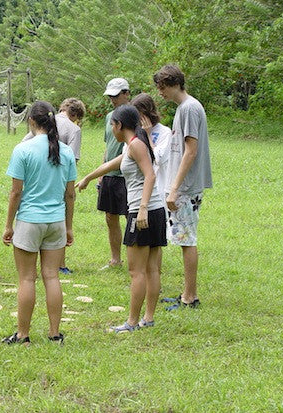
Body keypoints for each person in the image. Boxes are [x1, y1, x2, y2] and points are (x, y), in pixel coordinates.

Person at [76, 104, 167, 331]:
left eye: (112, 125)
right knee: (152, 269)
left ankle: (132, 322)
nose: (111, 130)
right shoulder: (133, 144)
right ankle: (148, 318)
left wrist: (142, 208)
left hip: (142, 211)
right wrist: (88, 177)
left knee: (137, 271)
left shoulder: (135, 145)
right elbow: (110, 164)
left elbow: (150, 175)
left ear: (119, 125)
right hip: (156, 211)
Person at [2, 100, 76, 345]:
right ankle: (54, 333)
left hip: (29, 221)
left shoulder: (22, 150)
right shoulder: (65, 151)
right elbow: (70, 194)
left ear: (31, 121)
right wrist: (68, 226)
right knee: (52, 277)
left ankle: (23, 334)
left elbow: (15, 193)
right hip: (55, 221)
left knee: (26, 278)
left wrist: (8, 225)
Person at [153, 64, 212, 310]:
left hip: (186, 187)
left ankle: (190, 297)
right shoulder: (184, 108)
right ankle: (188, 292)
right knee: (183, 237)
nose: (160, 93)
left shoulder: (189, 108)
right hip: (184, 185)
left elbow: (191, 150)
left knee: (187, 239)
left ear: (174, 84)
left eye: (162, 87)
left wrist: (174, 188)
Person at [22, 97, 85, 275]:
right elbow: (73, 158)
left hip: (35, 179)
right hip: (59, 180)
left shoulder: (45, 119)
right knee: (61, 218)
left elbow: (24, 143)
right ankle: (60, 264)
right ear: (75, 114)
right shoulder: (75, 129)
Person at [131, 93, 172, 277]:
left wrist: (148, 135)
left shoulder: (164, 132)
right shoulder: (135, 132)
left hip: (158, 190)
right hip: (138, 192)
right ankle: (144, 274)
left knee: (156, 239)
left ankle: (155, 273)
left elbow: (160, 158)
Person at [98, 78, 130, 270]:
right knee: (110, 217)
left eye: (116, 96)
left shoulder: (134, 115)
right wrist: (102, 173)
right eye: (110, 96)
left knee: (131, 217)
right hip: (110, 174)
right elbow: (107, 147)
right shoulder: (109, 116)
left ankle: (137, 257)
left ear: (126, 94)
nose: (113, 100)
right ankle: (115, 259)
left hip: (127, 174)